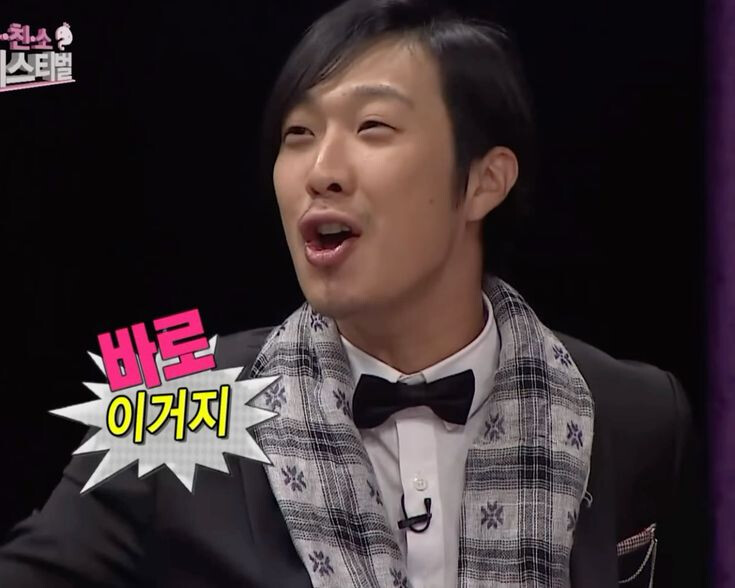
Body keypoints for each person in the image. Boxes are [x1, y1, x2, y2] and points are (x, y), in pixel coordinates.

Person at [0, 0, 705, 586]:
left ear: (484, 181)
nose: (321, 170)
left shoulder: (636, 414)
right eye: (298, 133)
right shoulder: (171, 409)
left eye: (373, 127)